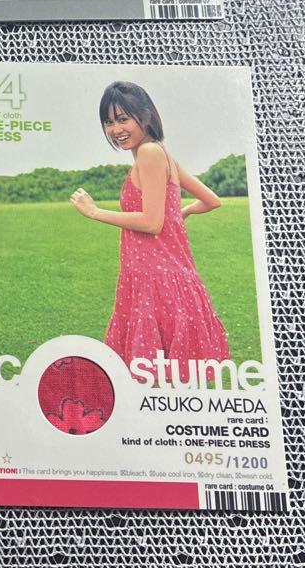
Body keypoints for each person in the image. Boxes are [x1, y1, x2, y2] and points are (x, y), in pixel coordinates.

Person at [68, 81, 229, 381]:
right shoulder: (162, 155)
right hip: (163, 276)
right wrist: (181, 213)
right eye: (109, 122)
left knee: (153, 380)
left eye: (123, 118)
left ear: (145, 116)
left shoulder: (150, 153)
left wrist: (94, 212)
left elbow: (152, 222)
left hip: (156, 280)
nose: (116, 129)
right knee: (162, 380)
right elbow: (211, 200)